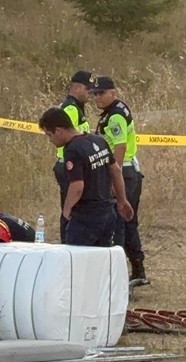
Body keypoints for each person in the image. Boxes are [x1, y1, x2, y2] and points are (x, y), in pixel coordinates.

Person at [38, 107, 133, 247]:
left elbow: (77, 187)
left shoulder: (72, 150)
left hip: (86, 218)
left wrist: (66, 211)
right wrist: (122, 200)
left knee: (77, 261)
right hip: (107, 213)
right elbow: (116, 171)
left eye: (49, 135)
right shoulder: (99, 140)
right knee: (102, 260)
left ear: (58, 131)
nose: (50, 140)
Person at [90, 76, 148, 285]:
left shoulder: (114, 116)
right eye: (94, 94)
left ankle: (120, 275)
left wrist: (116, 179)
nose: (97, 97)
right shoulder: (115, 110)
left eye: (101, 93)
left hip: (124, 172)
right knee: (128, 222)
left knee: (120, 224)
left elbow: (120, 146)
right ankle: (137, 271)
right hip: (128, 171)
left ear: (113, 93)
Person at [54, 71, 93, 243]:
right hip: (69, 166)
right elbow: (65, 136)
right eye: (87, 89)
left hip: (75, 164)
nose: (90, 93)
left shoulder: (77, 107)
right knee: (70, 211)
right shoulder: (70, 109)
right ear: (77, 88)